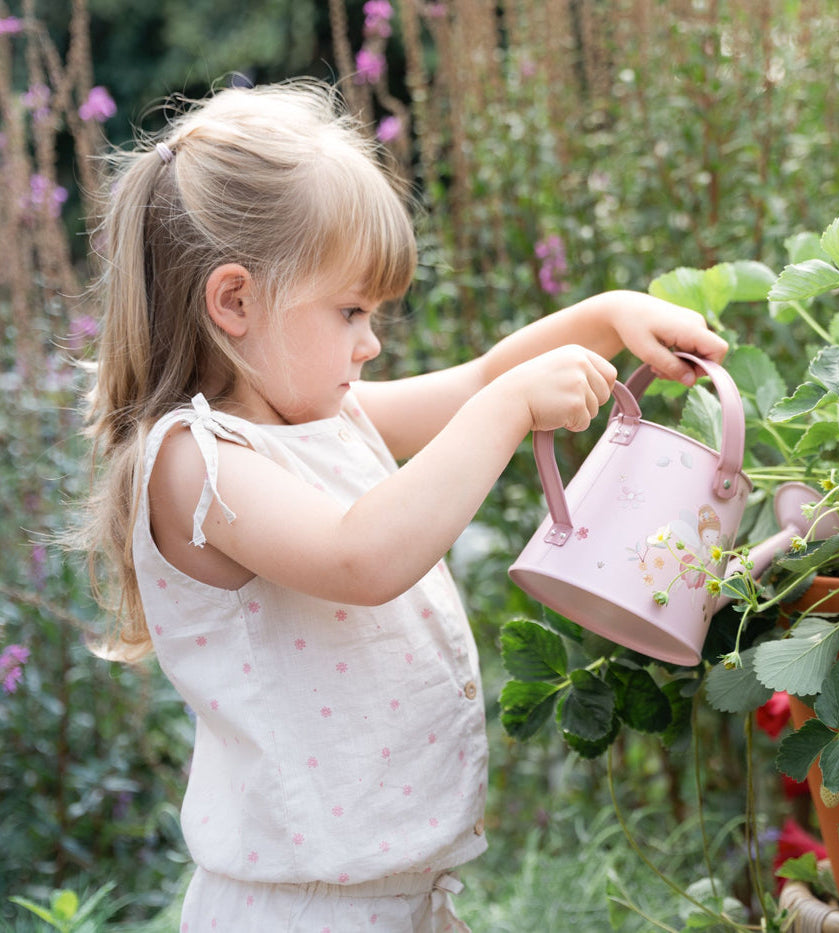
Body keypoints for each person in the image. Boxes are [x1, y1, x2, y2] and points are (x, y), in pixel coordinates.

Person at [80, 78, 728, 932]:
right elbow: (361, 557)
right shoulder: (194, 462)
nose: (371, 342)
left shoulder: (323, 417)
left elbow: (478, 377)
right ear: (234, 301)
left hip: (391, 900)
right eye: (351, 310)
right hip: (298, 913)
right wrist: (508, 410)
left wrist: (610, 316)